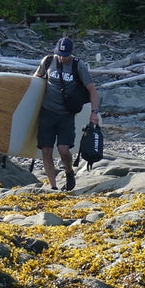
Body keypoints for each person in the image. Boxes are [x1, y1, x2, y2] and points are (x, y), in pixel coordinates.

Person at [33, 37, 100, 190]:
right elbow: (36, 80)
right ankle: (54, 187)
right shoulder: (48, 61)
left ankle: (69, 172)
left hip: (66, 114)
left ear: (72, 52)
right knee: (46, 150)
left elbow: (92, 90)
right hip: (47, 113)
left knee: (63, 149)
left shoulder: (78, 65)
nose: (63, 58)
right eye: (60, 54)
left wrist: (94, 113)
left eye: (66, 55)